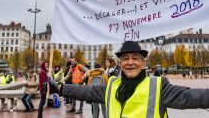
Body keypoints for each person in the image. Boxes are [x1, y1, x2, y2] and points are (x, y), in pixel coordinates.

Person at [60, 41, 209, 118]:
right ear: (120, 64)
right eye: (125, 58)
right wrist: (60, 89)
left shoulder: (158, 85)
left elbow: (189, 97)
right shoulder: (112, 84)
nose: (130, 62)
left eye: (135, 58)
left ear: (143, 63)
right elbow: (86, 92)